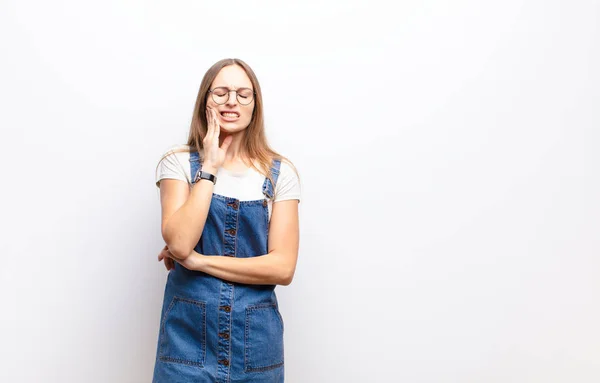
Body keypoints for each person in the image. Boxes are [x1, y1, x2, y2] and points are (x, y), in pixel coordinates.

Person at [151, 58, 301, 383]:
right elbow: (179, 242)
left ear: (255, 105)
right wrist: (210, 167)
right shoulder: (178, 163)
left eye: (243, 94)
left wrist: (197, 261)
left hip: (256, 348)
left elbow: (283, 268)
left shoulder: (280, 173)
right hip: (186, 346)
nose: (232, 101)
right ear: (205, 100)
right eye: (221, 92)